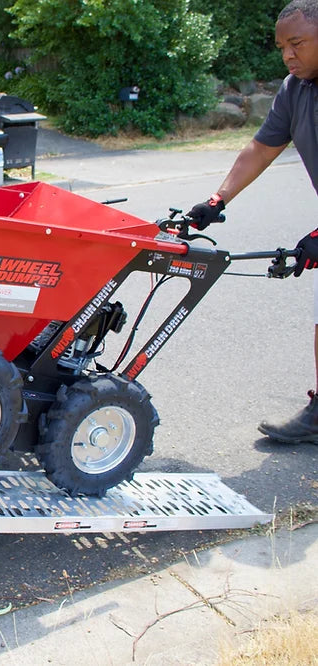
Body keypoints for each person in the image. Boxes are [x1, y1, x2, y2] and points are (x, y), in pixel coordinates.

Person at [186, 0, 318, 444]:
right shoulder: (294, 90)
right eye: (282, 46)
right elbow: (262, 149)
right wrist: (217, 198)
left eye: (297, 43)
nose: (287, 55)